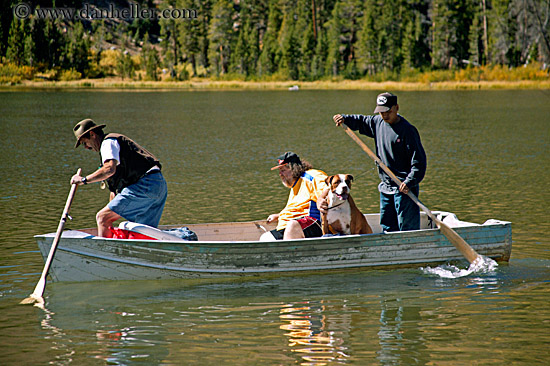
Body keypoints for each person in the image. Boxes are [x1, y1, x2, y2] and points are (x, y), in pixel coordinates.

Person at [321, 92, 426, 232]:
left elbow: (419, 162)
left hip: (404, 187)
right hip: (386, 186)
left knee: (407, 227)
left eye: (388, 111)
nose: (384, 115)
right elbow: (361, 121)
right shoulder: (378, 123)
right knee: (388, 225)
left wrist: (409, 181)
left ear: (397, 108)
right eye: (381, 112)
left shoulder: (408, 131)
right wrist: (345, 119)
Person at [70, 119, 168, 238]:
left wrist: (83, 180)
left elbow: (109, 169)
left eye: (85, 142)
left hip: (145, 184)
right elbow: (114, 192)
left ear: (92, 134)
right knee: (143, 232)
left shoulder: (108, 142)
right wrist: (111, 215)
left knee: (101, 218)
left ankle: (105, 253)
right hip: (158, 184)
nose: (86, 147)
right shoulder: (112, 151)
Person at [262, 152, 328, 240]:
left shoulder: (312, 176)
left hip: (313, 222)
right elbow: (297, 207)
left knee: (292, 226)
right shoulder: (295, 185)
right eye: (280, 171)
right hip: (294, 225)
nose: (280, 174)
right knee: (266, 237)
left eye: (283, 170)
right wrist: (279, 215)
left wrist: (321, 199)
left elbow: (331, 188)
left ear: (294, 168)